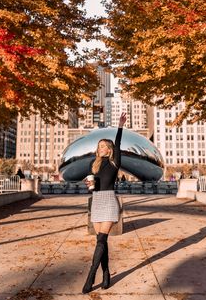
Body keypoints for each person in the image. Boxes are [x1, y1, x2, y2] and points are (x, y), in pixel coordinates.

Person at [82, 112, 127, 294]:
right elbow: (94, 185)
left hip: (109, 201)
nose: (100, 148)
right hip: (97, 201)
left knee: (101, 240)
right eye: (99, 146)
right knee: (101, 241)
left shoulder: (115, 162)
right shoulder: (94, 165)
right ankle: (106, 273)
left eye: (103, 146)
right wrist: (90, 185)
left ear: (109, 149)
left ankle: (91, 276)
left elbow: (119, 143)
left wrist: (120, 126)